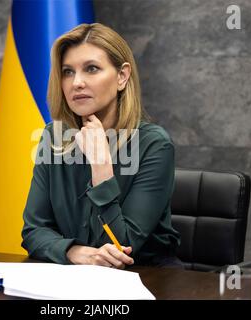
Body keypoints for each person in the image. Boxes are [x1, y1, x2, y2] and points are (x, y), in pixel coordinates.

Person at [21, 23, 182, 270]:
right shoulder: (53, 137)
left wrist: (101, 168)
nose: (76, 83)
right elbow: (33, 231)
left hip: (145, 279)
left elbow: (121, 249)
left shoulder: (154, 144)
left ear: (122, 76)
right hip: (72, 277)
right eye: (67, 72)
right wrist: (75, 251)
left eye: (91, 69)